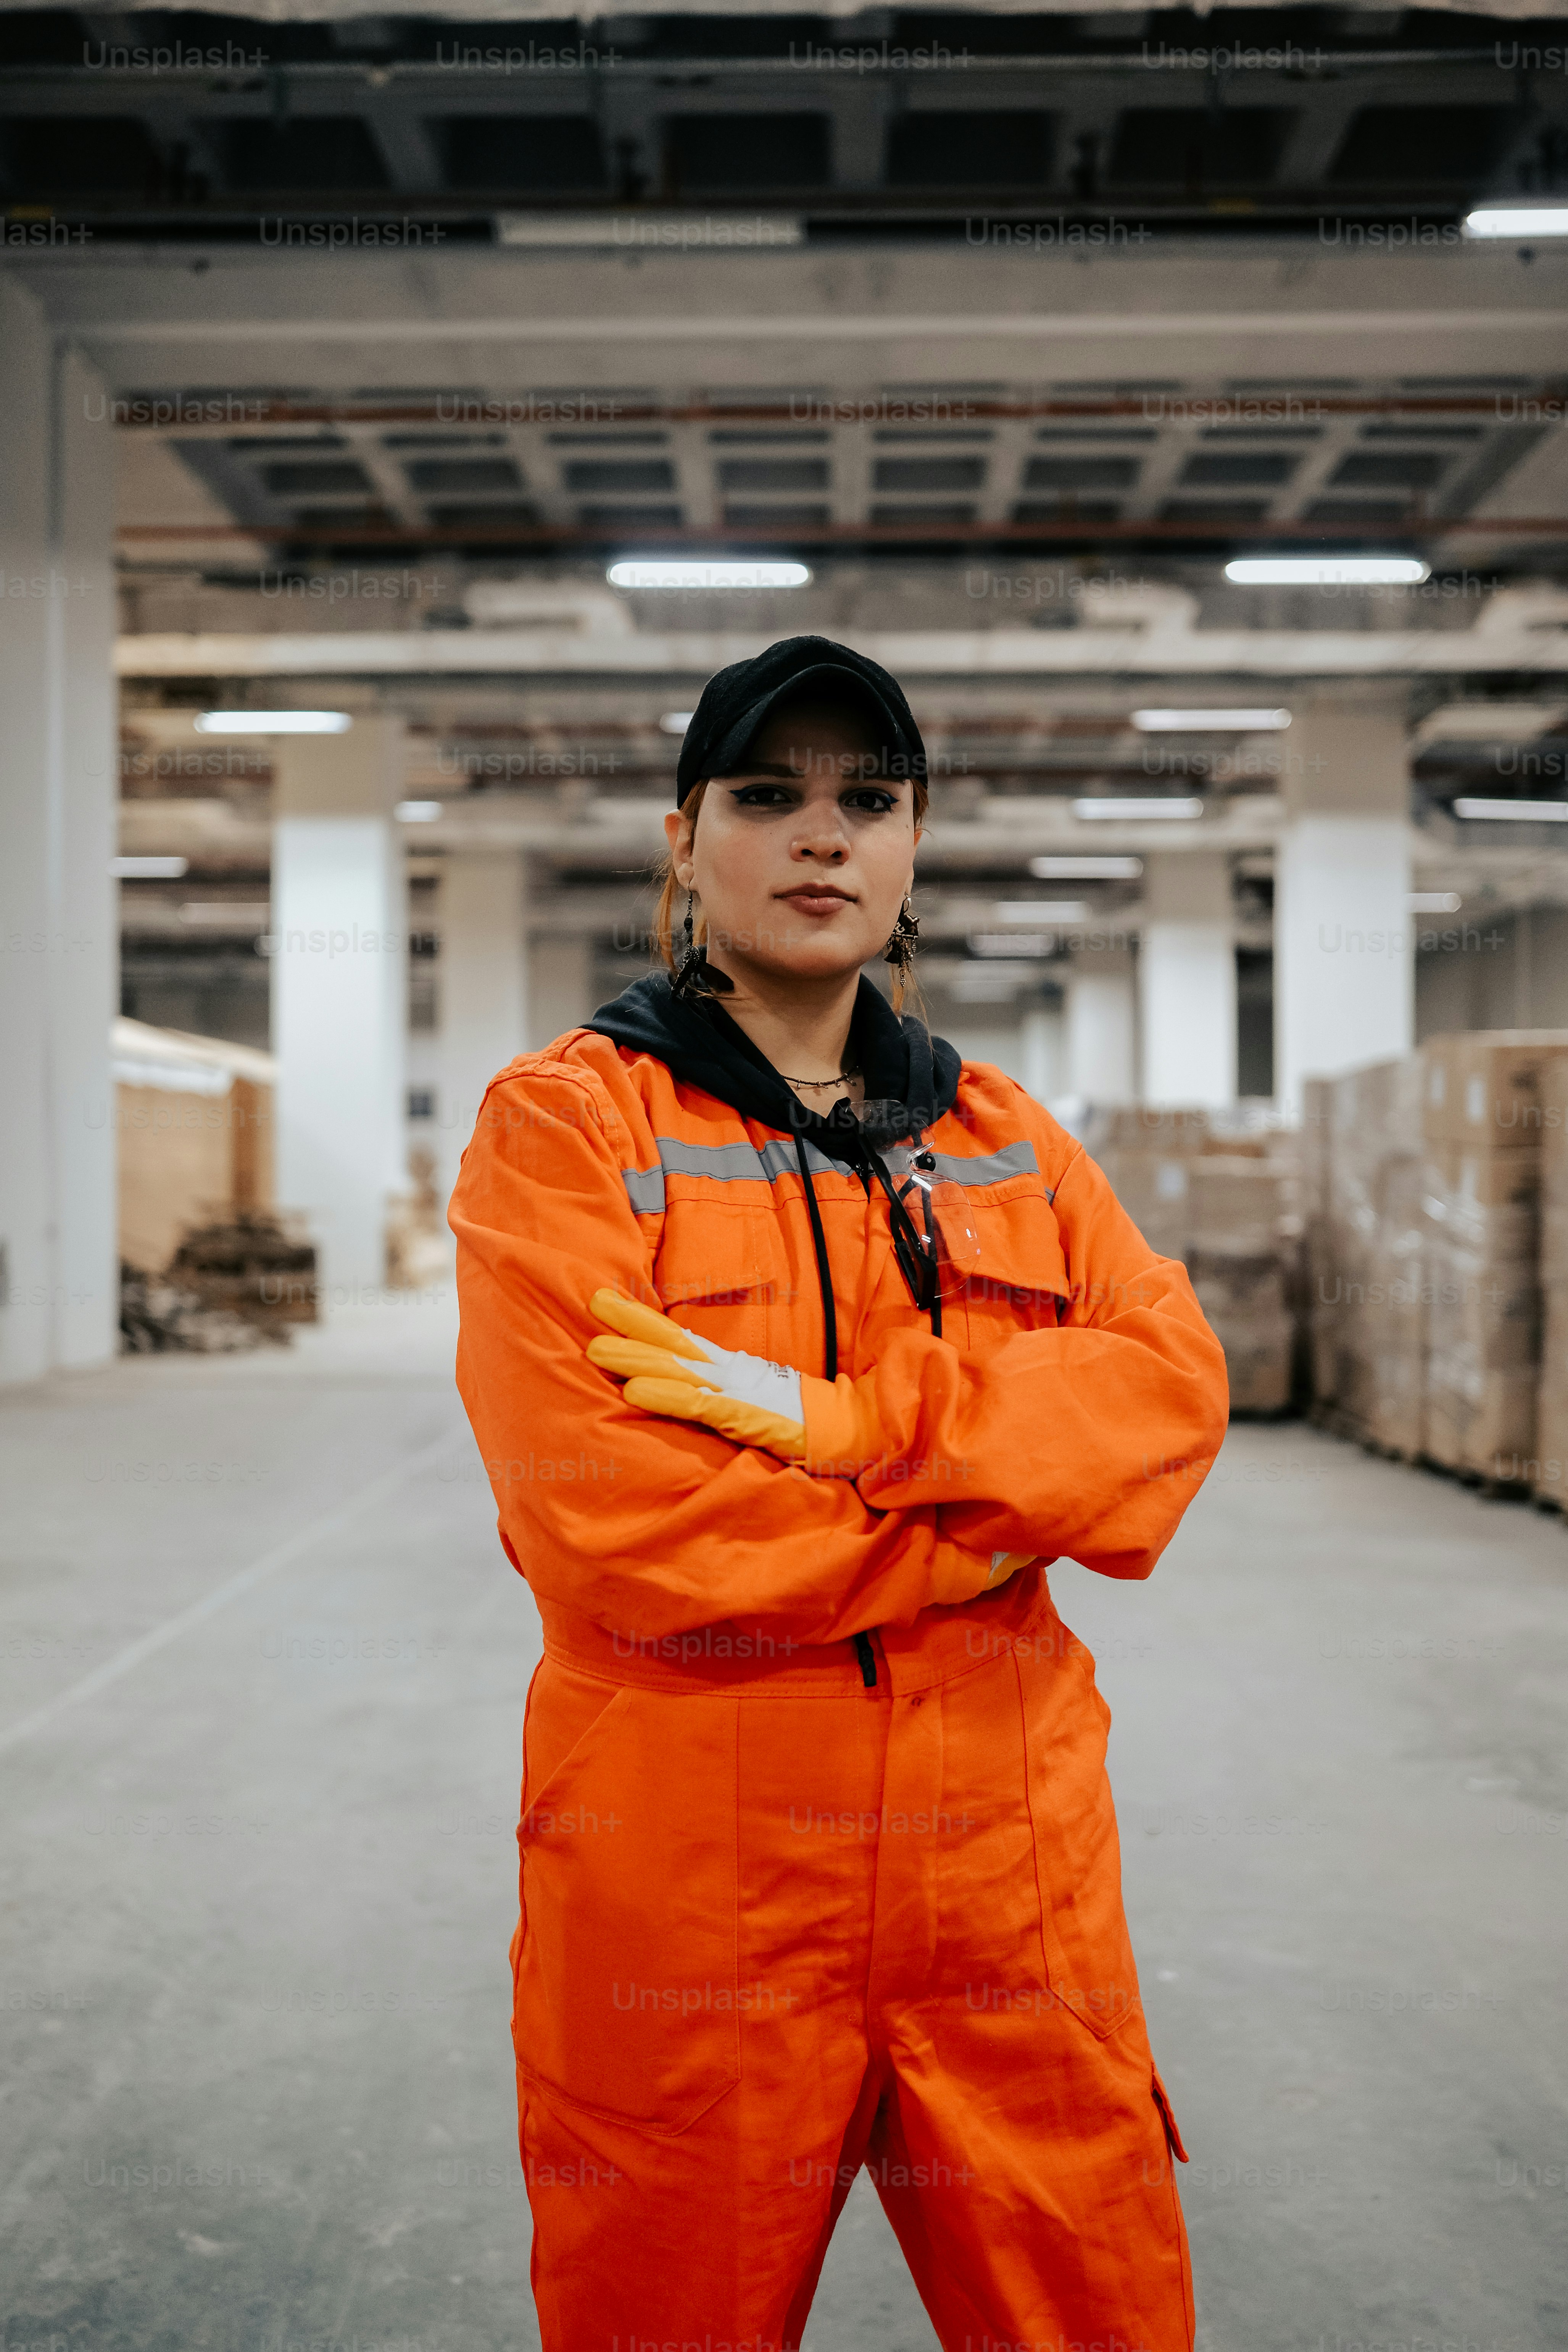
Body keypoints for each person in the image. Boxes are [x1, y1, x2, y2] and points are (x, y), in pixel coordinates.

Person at [450, 633, 1229, 2352]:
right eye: (766, 796)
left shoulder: (1002, 1135)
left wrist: (841, 1418)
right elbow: (615, 1523)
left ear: (912, 844)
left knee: (1091, 2303)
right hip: (689, 1864)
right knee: (667, 2303)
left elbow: (1168, 1400)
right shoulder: (573, 1130)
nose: (822, 838)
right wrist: (986, 1517)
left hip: (1007, 1865)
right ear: (682, 838)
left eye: (866, 801)